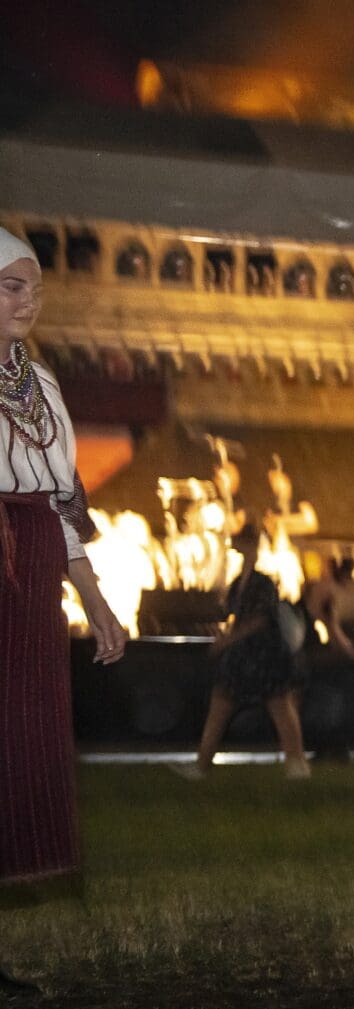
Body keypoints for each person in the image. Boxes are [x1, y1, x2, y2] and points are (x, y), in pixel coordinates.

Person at [0, 228, 126, 916]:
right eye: (13, 287)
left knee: (22, 739)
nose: (29, 302)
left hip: (33, 573)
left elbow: (57, 503)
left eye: (36, 289)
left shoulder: (40, 382)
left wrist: (96, 601)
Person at [180, 522, 310, 780]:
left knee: (279, 706)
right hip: (244, 656)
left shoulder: (262, 583)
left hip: (263, 655)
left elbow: (259, 620)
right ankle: (202, 764)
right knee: (225, 703)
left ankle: (297, 764)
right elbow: (237, 615)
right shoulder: (241, 580)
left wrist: (228, 641)